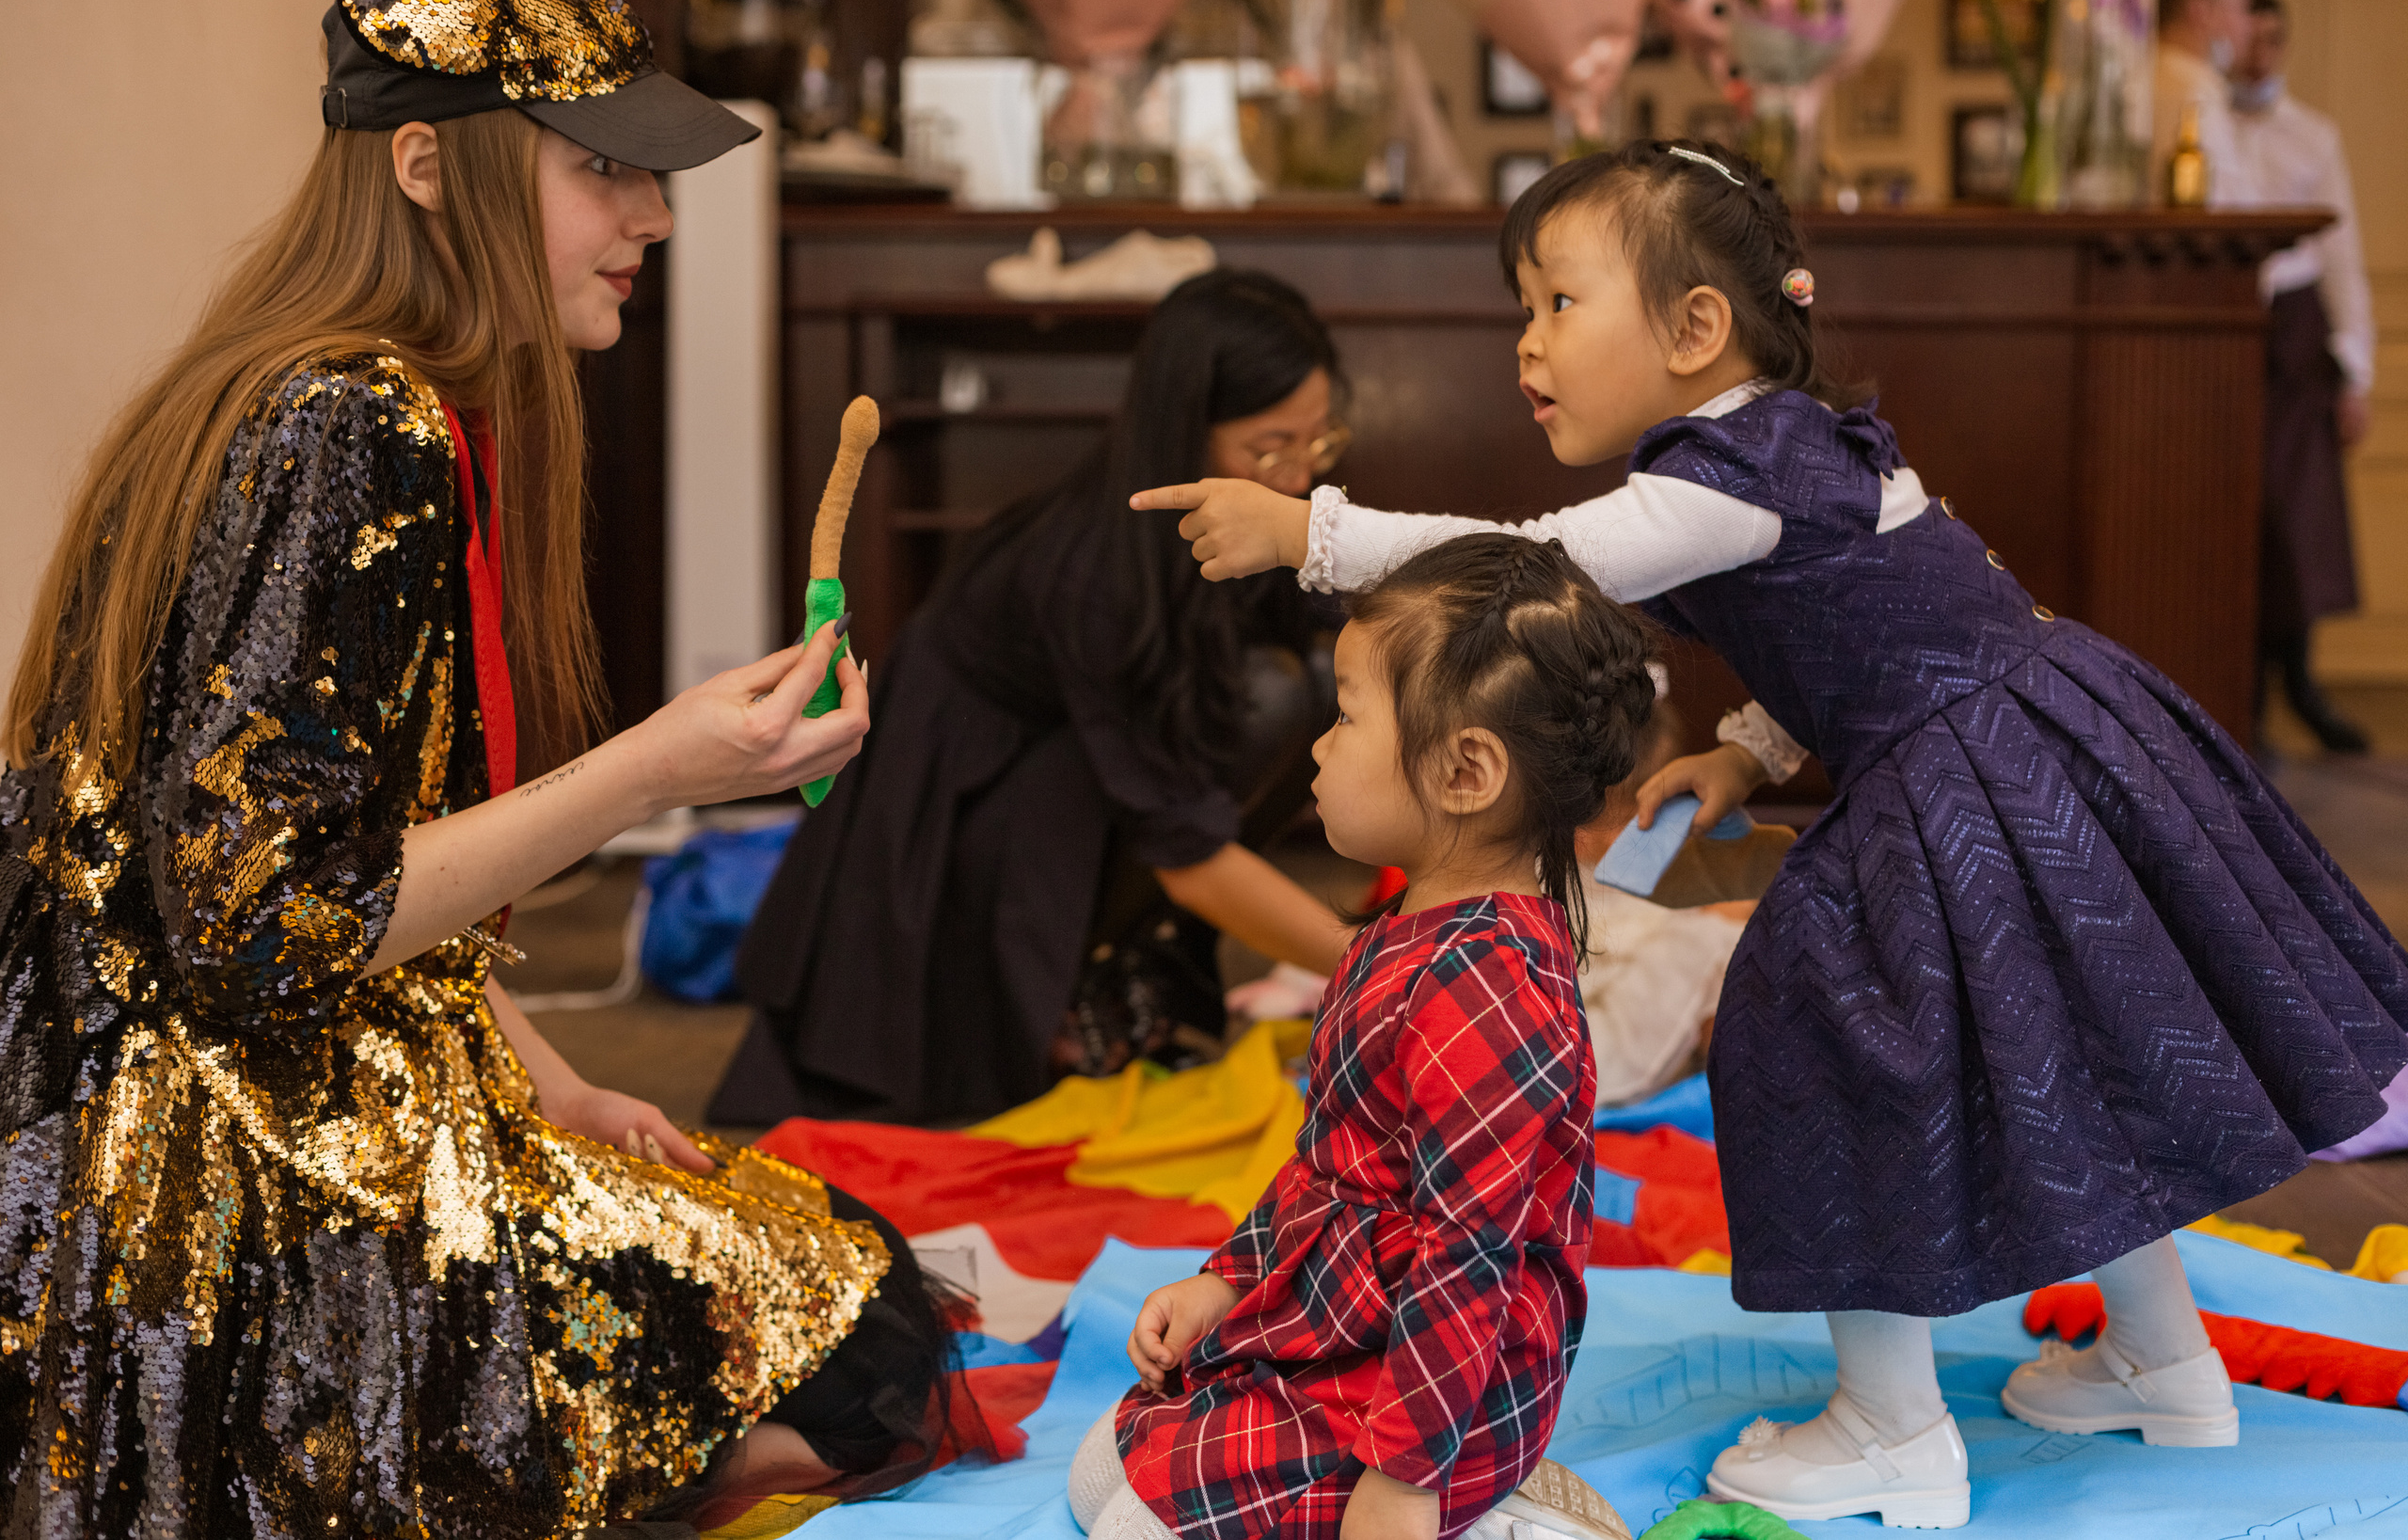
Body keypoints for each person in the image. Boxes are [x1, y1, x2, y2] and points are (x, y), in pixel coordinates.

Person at [1133, 140, 2408, 1528]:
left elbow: (1530, 565)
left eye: (1560, 303)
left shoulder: (1728, 474)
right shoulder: (1787, 445)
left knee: (1813, 1041)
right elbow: (1880, 617)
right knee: (2078, 1054)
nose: (1529, 342)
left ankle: (1892, 1422)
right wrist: (1747, 753)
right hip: (2025, 748)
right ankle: (2167, 1362)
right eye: (1525, 308)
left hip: (1964, 786)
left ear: (1696, 328)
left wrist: (1306, 532)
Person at [0, 0, 974, 1532]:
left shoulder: (330, 392)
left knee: (845, 1297)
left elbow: (343, 853)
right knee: (866, 1341)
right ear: (427, 165)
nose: (653, 219)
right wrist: (656, 769)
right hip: (232, 1174)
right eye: (607, 172)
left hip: (254, 1092)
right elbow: (258, 923)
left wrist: (554, 1079)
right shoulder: (353, 423)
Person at [1071, 533, 1652, 1540]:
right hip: (1341, 1316)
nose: (1318, 747)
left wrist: (1406, 1480)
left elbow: (1469, 1260)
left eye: (1345, 718)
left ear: (1465, 771)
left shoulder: (1488, 988)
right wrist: (1226, 1281)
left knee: (1133, 1525)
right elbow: (1325, 1163)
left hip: (1440, 1387)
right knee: (1098, 1473)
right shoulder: (1407, 928)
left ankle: (1500, 1511)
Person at [721, 270, 1357, 1128]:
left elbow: (1339, 612)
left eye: (1316, 445)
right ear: (1187, 430)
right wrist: (1380, 973)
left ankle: (1101, 969)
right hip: (948, 829)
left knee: (1321, 679)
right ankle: (1052, 995)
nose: (1293, 475)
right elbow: (1186, 850)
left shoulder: (1224, 509)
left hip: (1059, 770)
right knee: (1267, 701)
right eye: (1269, 447)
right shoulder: (1100, 568)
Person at [2233, 0, 2379, 753]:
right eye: (2246, 37)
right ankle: (2240, 696)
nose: (2258, 53)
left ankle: (2302, 683)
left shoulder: (2314, 136)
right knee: (2235, 515)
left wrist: (2356, 369)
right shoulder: (2197, 121)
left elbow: (2343, 258)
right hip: (2219, 330)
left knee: (2298, 519)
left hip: (2294, 338)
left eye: (2270, 40)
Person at [2152, 0, 2258, 205]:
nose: (2249, 25)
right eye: (2241, 7)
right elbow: (2220, 207)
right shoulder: (2194, 94)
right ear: (2201, 12)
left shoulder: (2139, 77)